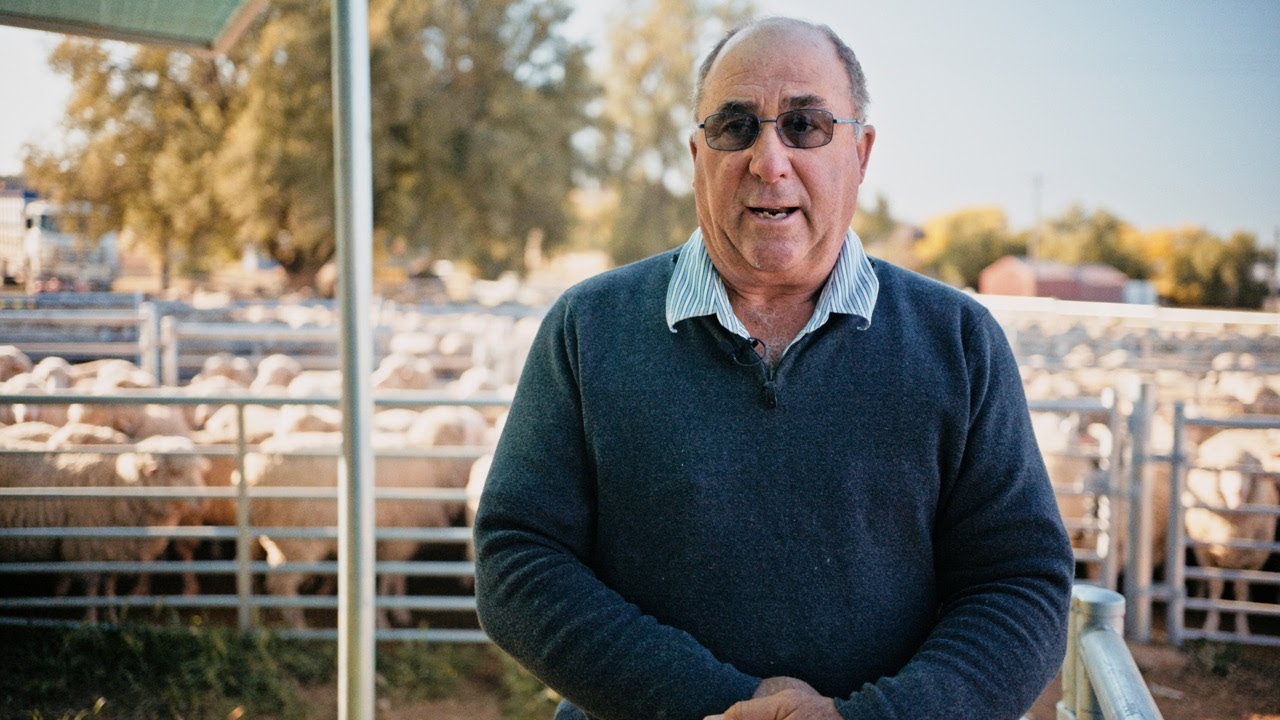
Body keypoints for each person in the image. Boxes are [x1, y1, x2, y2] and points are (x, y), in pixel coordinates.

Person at [474, 16, 1073, 720]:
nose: (769, 159)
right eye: (734, 126)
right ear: (698, 154)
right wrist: (714, 705)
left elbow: (1020, 581)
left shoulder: (959, 343)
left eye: (805, 124)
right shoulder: (589, 329)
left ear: (861, 151)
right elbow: (519, 557)